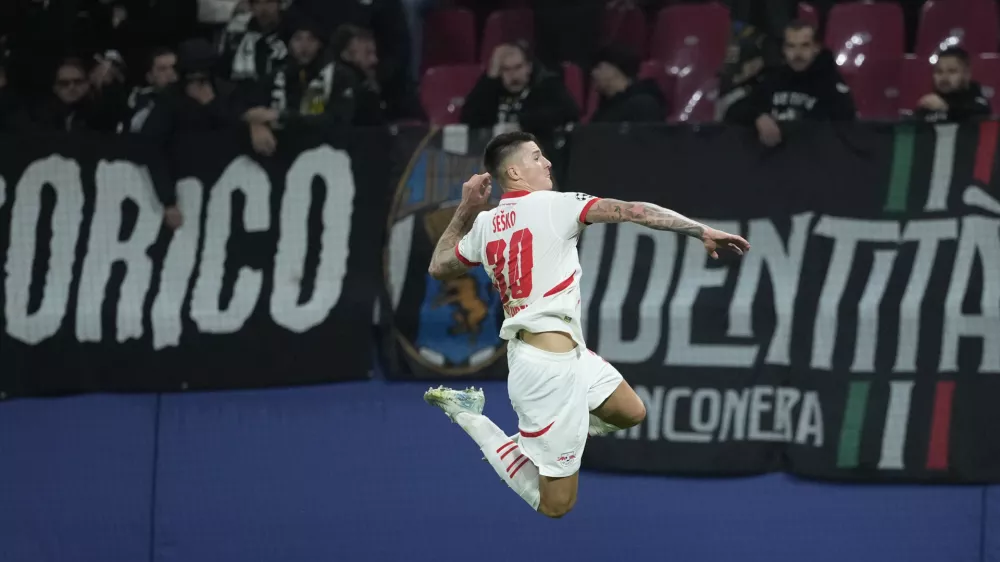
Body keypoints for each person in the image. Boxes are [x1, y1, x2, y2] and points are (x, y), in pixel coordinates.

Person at [423, 132, 751, 518]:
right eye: (536, 156)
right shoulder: (556, 206)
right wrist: (700, 229)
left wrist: (466, 209)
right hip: (547, 373)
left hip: (565, 354)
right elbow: (633, 211)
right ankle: (469, 415)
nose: (546, 163)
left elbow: (439, 265)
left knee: (630, 411)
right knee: (556, 505)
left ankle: (545, 436)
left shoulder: (486, 224)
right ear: (514, 170)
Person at [914, 47, 992, 123]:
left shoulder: (976, 100)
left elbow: (980, 115)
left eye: (952, 71)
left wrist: (945, 108)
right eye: (939, 71)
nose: (944, 77)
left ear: (967, 74)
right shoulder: (930, 104)